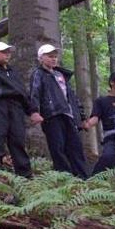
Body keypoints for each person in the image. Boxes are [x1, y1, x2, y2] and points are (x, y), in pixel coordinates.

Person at [0, 41, 40, 178]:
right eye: (3, 51)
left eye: (8, 51)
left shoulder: (14, 73)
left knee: (18, 140)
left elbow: (23, 93)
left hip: (16, 107)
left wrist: (32, 111)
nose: (7, 54)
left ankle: (25, 175)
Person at [29, 44, 88, 178]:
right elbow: (34, 93)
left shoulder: (61, 75)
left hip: (69, 115)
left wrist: (82, 117)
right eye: (50, 56)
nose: (54, 59)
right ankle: (64, 178)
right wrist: (34, 111)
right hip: (52, 115)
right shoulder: (38, 74)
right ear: (41, 58)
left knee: (75, 147)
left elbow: (72, 97)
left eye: (55, 56)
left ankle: (83, 178)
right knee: (57, 148)